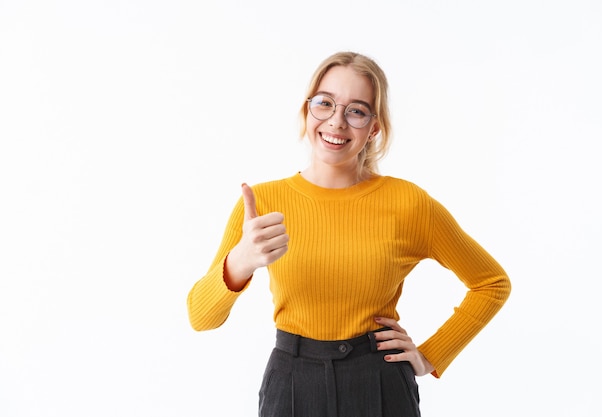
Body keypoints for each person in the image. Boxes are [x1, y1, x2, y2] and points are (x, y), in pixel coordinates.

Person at [187, 51, 511, 417]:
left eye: (356, 110)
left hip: (380, 383)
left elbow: (492, 283)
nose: (336, 122)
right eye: (325, 104)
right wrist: (241, 261)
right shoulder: (261, 202)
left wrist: (430, 356)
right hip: (292, 384)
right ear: (307, 110)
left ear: (374, 127)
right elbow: (201, 317)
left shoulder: (409, 202)